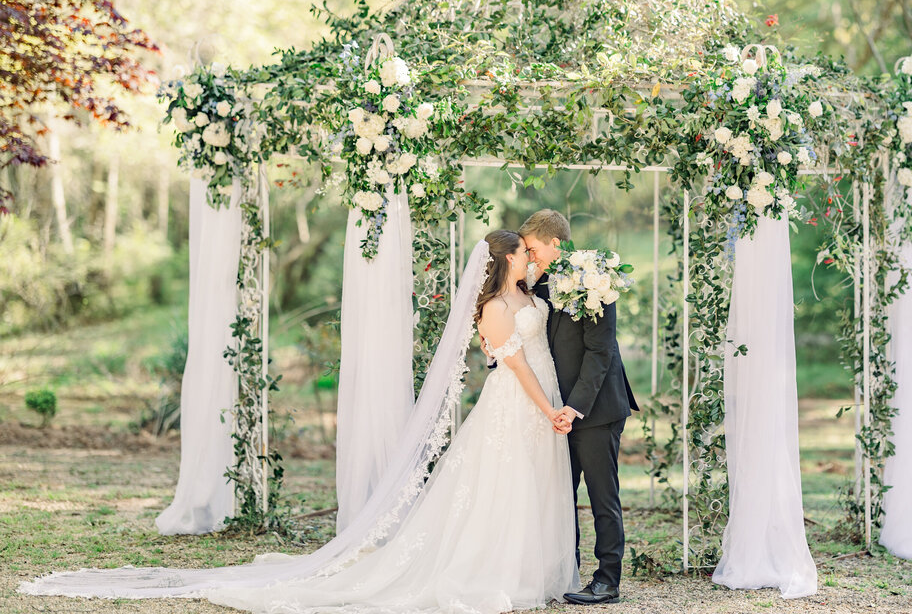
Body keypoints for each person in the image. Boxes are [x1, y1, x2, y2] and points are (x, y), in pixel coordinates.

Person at [21, 230, 579, 614]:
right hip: (519, 402)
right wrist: (545, 405)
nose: (532, 258)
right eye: (525, 252)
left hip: (542, 403)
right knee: (499, 487)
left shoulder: (527, 294)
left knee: (529, 485)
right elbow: (516, 363)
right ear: (506, 258)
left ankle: (532, 572)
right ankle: (498, 572)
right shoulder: (496, 308)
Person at [520, 209, 639, 606]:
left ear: (555, 242)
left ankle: (608, 580)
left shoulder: (595, 277)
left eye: (534, 249)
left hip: (596, 408)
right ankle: (565, 571)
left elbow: (600, 351)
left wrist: (575, 408)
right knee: (560, 495)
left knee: (603, 496)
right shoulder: (538, 286)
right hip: (554, 411)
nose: (531, 257)